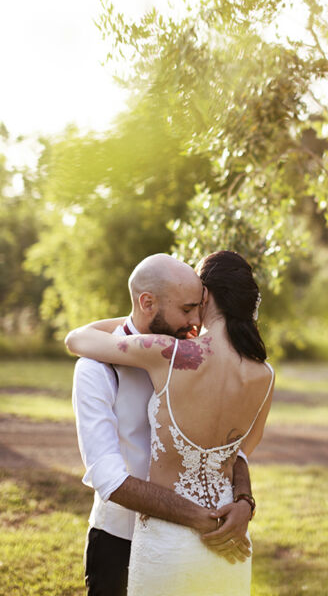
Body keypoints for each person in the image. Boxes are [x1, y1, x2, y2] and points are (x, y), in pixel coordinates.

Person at [66, 250, 274, 596]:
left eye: (198, 307)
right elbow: (108, 477)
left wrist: (244, 500)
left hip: (202, 535)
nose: (194, 322)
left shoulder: (180, 354)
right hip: (121, 538)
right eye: (187, 309)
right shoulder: (96, 369)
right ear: (148, 303)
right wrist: (198, 517)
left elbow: (232, 450)